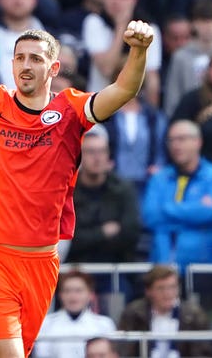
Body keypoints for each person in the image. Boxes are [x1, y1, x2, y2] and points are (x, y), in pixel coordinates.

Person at [0, 0, 153, 357]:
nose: (25, 66)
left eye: (35, 58)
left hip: (43, 261)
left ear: (53, 67)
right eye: (19, 58)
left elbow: (123, 90)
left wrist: (138, 50)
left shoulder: (71, 111)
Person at [142, 120, 212, 272]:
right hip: (162, 266)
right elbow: (150, 216)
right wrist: (195, 211)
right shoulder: (159, 178)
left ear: (197, 142)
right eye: (171, 140)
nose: (175, 145)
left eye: (181, 139)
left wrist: (167, 208)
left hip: (202, 267)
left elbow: (211, 213)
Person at [66, 125, 140, 295]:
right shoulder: (67, 190)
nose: (97, 158)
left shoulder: (123, 189)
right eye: (91, 152)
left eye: (102, 151)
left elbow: (131, 234)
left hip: (115, 267)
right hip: (75, 269)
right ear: (80, 156)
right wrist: (103, 232)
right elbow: (68, 240)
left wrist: (88, 236)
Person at [118, 265, 212, 358]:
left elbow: (203, 353)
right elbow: (124, 351)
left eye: (172, 287)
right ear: (148, 291)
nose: (168, 293)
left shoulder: (194, 315)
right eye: (161, 288)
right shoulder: (133, 314)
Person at [163, 0, 212, 116]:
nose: (208, 27)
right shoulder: (180, 56)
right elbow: (173, 94)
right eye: (203, 21)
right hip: (189, 116)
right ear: (193, 24)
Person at [33, 270, 116, 358]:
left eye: (78, 291)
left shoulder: (105, 324)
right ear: (60, 294)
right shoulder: (46, 323)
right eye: (67, 291)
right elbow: (41, 355)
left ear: (91, 294)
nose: (73, 296)